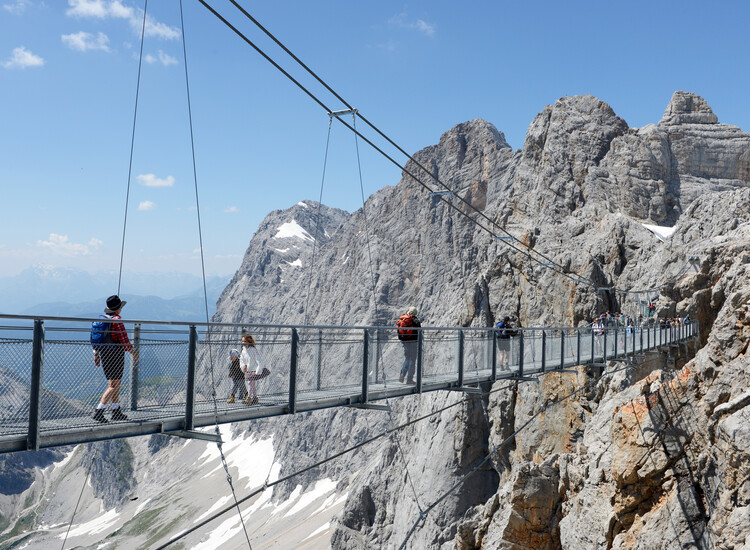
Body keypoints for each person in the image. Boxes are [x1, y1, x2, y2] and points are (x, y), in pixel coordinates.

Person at [92, 295, 138, 423]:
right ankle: (99, 411)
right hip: (116, 354)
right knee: (113, 385)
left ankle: (116, 411)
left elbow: (97, 338)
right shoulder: (117, 320)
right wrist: (134, 354)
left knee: (114, 383)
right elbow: (124, 340)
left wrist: (96, 354)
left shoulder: (104, 320)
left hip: (104, 353)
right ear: (118, 309)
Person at [240, 333, 269, 405]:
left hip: (253, 370)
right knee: (252, 385)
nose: (243, 343)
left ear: (249, 342)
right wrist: (243, 366)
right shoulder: (243, 351)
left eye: (245, 341)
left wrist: (258, 369)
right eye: (242, 341)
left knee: (250, 384)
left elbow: (258, 359)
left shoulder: (253, 349)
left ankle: (248, 398)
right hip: (247, 371)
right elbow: (242, 360)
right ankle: (255, 398)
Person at [397, 306, 421, 384]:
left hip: (405, 342)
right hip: (413, 342)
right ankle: (409, 379)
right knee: (412, 360)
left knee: (407, 358)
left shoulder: (404, 319)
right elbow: (419, 331)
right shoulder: (415, 321)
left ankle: (402, 374)